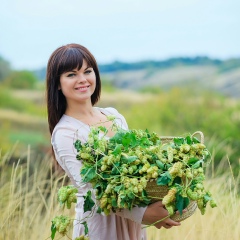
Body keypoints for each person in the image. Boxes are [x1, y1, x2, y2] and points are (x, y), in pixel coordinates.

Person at [46, 43, 181, 240]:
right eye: (71, 74)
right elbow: (92, 191)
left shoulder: (113, 116)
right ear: (57, 83)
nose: (82, 79)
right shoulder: (65, 133)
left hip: (131, 222)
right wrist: (145, 214)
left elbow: (136, 170)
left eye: (87, 71)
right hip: (100, 225)